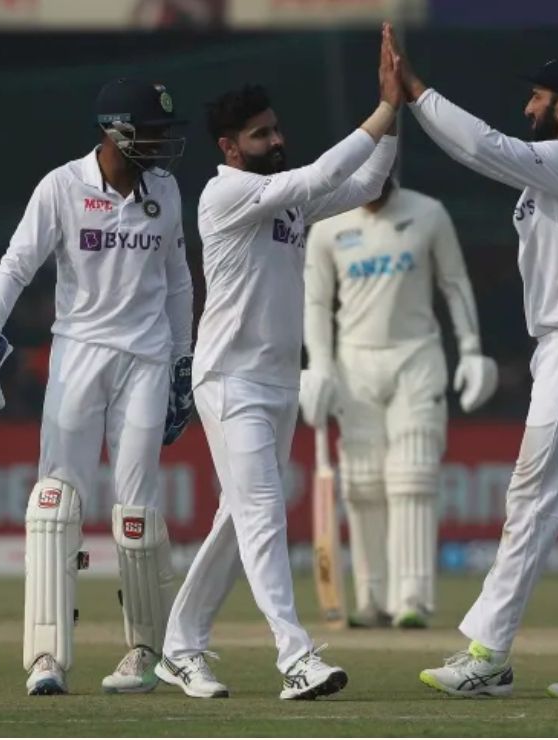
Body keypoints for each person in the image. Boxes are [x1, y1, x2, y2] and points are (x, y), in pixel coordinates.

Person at [385, 26, 558, 700]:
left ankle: (488, 652)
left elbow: (483, 147)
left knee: (532, 499)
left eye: (538, 97)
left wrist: (416, 92)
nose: (529, 107)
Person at [155, 25, 402, 701]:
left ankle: (179, 647)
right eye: (261, 136)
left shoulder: (288, 197)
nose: (275, 140)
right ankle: (296, 658)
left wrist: (399, 109)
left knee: (240, 519)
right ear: (231, 147)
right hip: (229, 378)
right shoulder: (224, 194)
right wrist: (380, 108)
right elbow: (323, 173)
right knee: (263, 514)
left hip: (275, 380)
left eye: (276, 130)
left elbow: (367, 179)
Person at [0, 78, 195, 696]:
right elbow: (16, 265)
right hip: (78, 352)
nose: (160, 142)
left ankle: (142, 651)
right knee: (56, 505)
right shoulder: (63, 187)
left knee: (136, 511)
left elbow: (179, 280)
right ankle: (47, 656)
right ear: (115, 131)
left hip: (148, 359)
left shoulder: (166, 189)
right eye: (149, 131)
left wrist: (183, 361)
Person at [300, 176, 497, 630]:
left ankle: (412, 599)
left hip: (416, 357)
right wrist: (321, 365)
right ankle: (370, 599)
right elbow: (315, 303)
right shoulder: (328, 226)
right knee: (363, 482)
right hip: (355, 364)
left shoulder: (427, 211)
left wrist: (470, 349)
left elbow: (455, 283)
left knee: (412, 477)